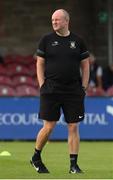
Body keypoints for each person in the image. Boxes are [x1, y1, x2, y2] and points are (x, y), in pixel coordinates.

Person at [30, 9, 90, 174]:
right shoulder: (46, 40)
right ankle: (36, 156)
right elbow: (40, 63)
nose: (54, 22)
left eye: (57, 20)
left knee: (73, 126)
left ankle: (73, 165)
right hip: (51, 89)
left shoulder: (78, 41)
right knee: (49, 127)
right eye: (52, 20)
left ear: (66, 21)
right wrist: (42, 84)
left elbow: (85, 65)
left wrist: (83, 87)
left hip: (73, 90)